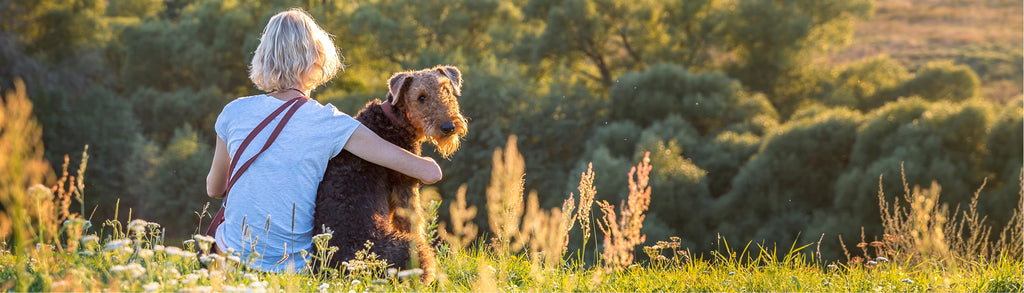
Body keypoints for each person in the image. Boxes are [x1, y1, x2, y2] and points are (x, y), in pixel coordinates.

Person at [205, 8, 442, 273]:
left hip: (229, 261)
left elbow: (214, 189)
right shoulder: (329, 122)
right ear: (317, 58)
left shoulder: (233, 111)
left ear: (263, 58)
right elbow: (428, 173)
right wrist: (428, 156)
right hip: (291, 269)